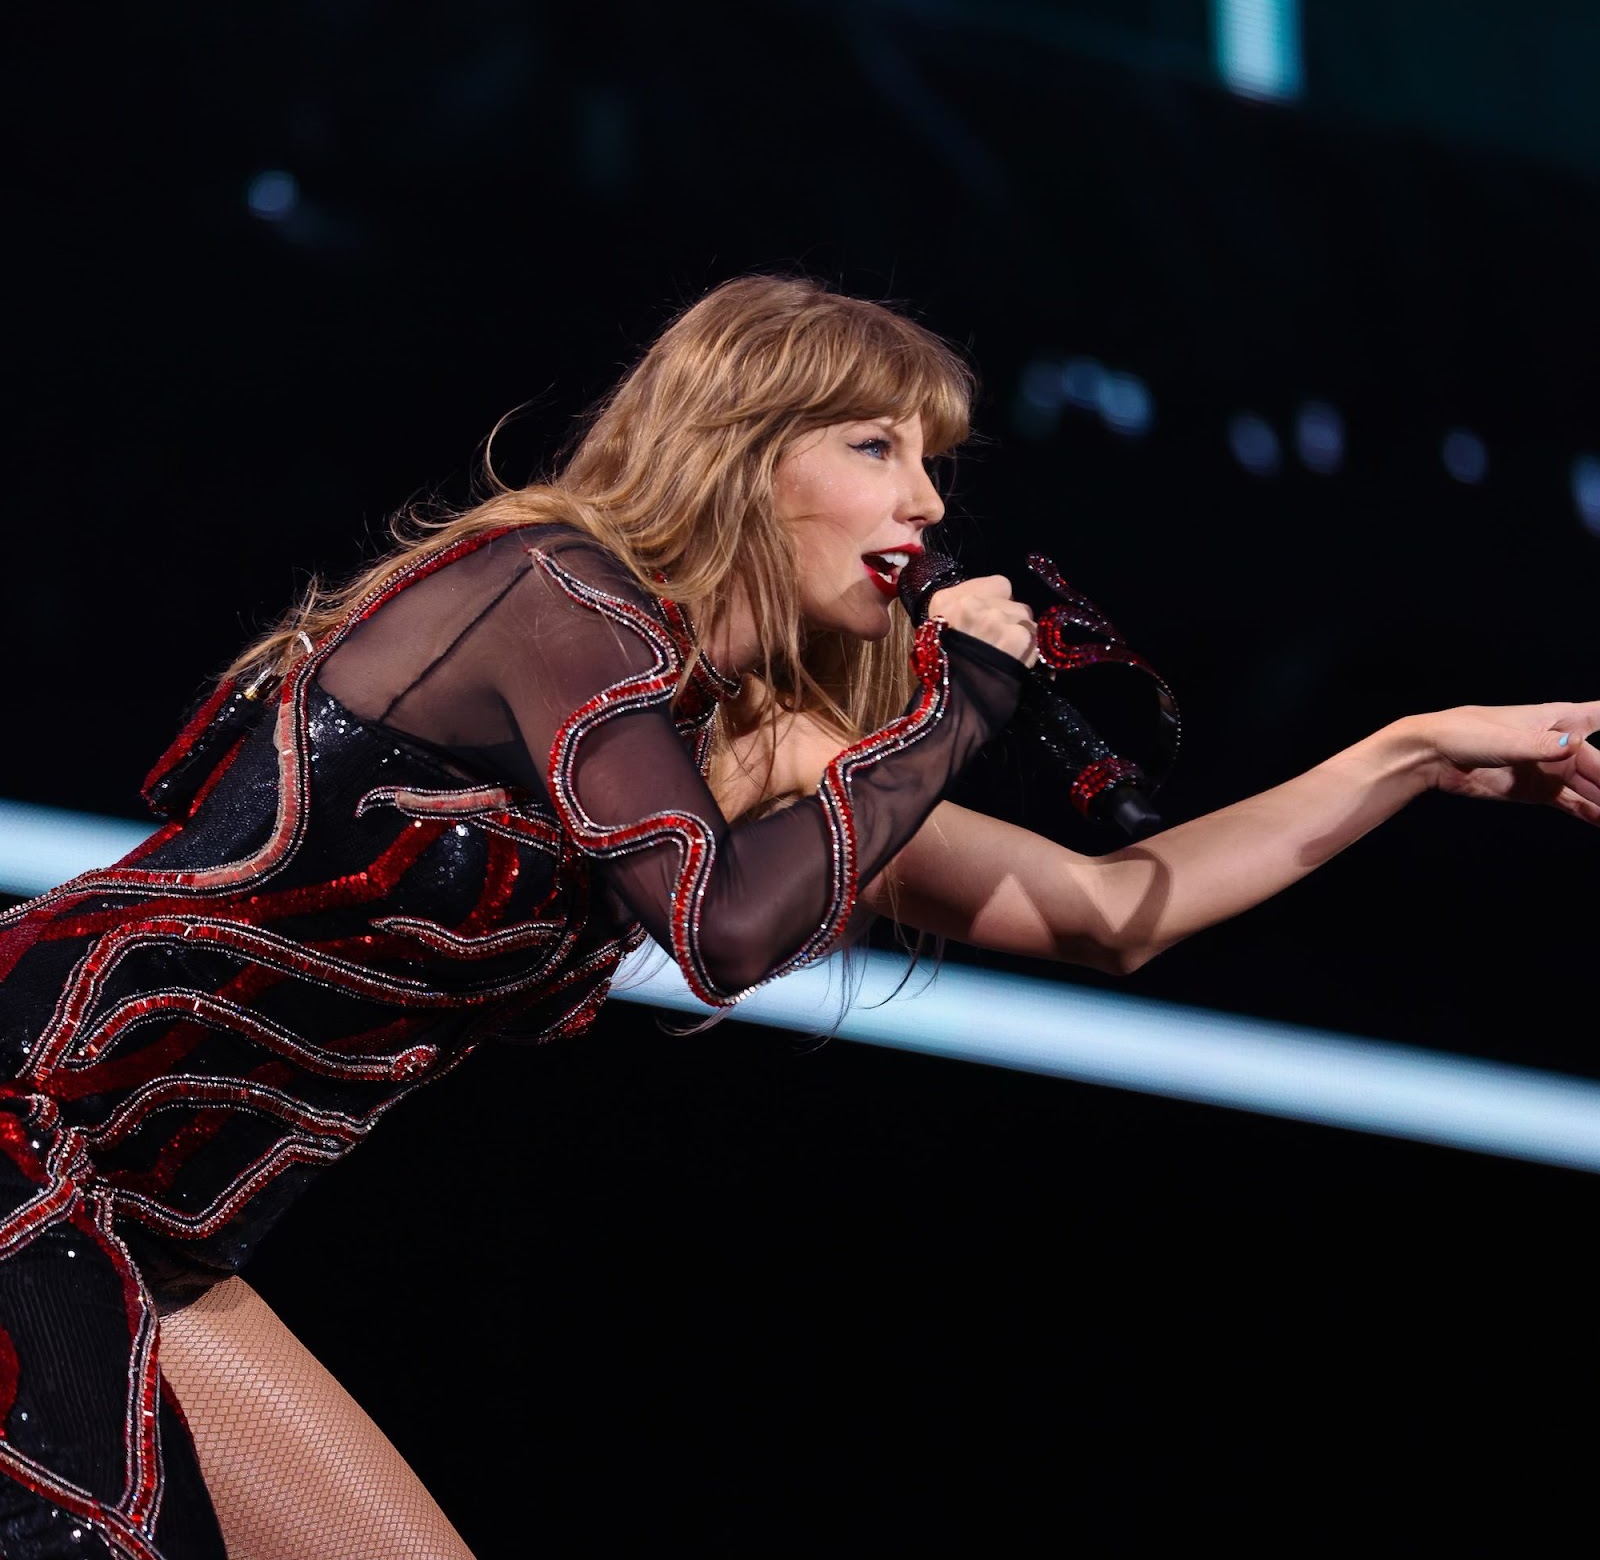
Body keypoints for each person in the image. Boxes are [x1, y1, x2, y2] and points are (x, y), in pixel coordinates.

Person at [1, 275, 1595, 1559]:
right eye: (875, 448)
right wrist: (956, 704)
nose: (926, 503)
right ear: (743, 453)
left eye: (937, 463)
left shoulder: (752, 746)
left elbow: (1113, 913)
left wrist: (1407, 753)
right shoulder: (549, 597)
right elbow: (724, 930)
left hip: (153, 1227)